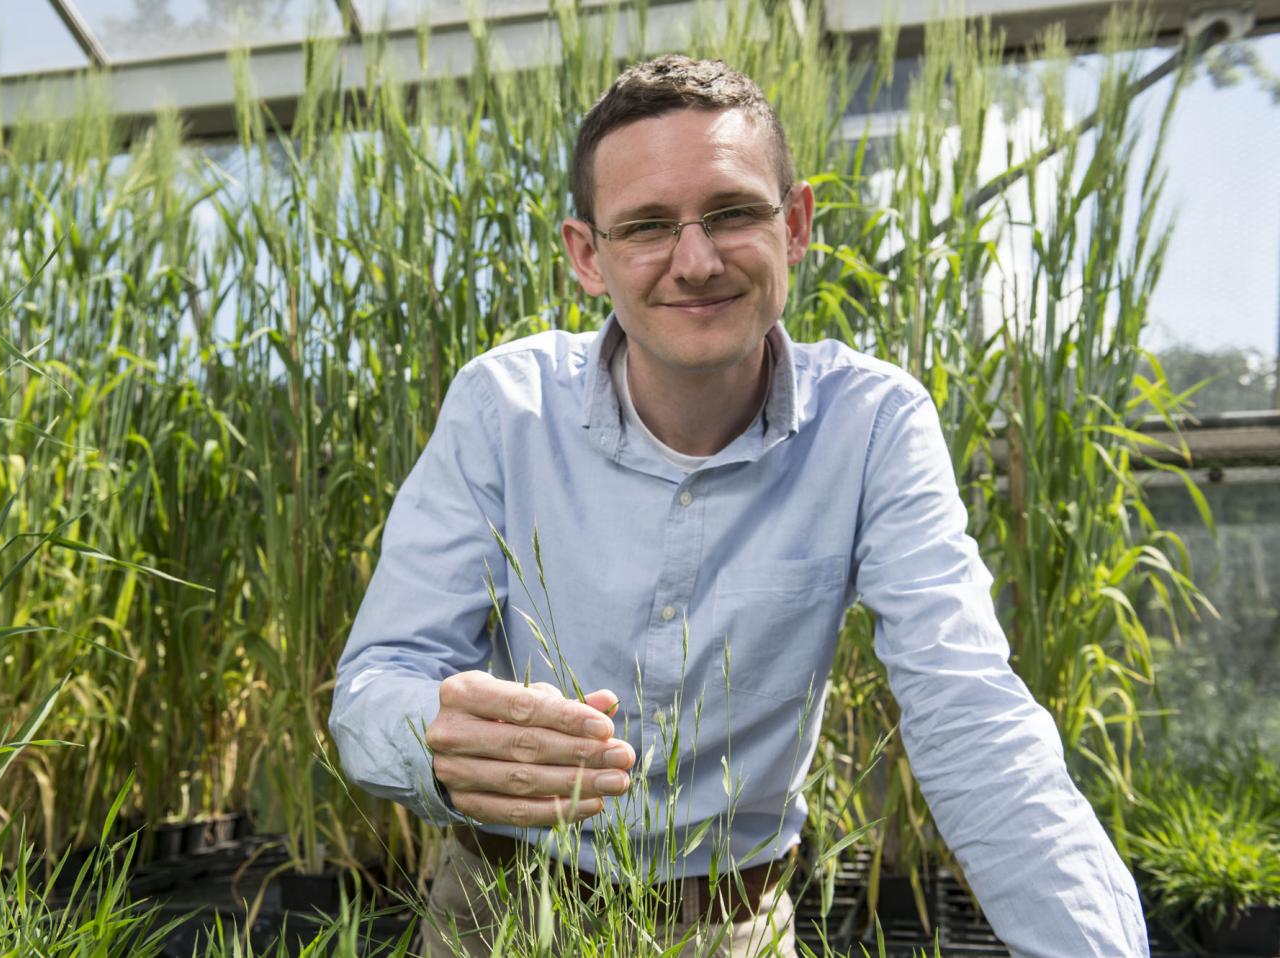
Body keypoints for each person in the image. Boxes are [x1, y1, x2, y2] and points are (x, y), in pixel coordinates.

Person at [329, 55, 1149, 958]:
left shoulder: (873, 425)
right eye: (645, 226)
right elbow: (378, 680)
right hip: (499, 914)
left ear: (794, 225)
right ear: (587, 257)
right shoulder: (502, 407)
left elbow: (970, 712)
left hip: (731, 929)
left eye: (731, 213)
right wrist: (439, 746)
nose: (696, 261)